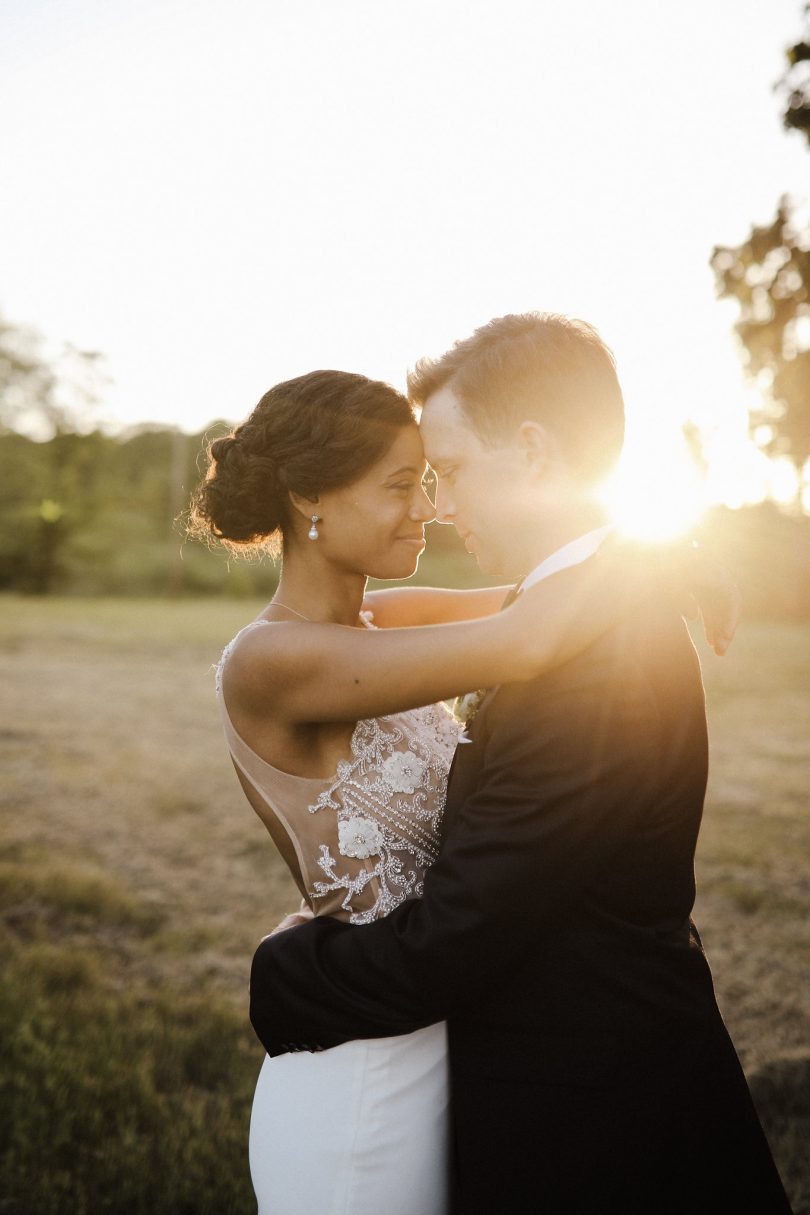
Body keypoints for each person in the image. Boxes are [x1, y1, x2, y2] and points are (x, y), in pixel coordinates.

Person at [247, 317, 793, 1215]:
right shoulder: (565, 619)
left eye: (449, 472)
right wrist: (660, 558)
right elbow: (508, 621)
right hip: (538, 1079)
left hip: (597, 1117)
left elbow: (460, 935)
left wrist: (281, 971)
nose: (439, 504)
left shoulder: (592, 664)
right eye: (414, 482)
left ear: (534, 453)